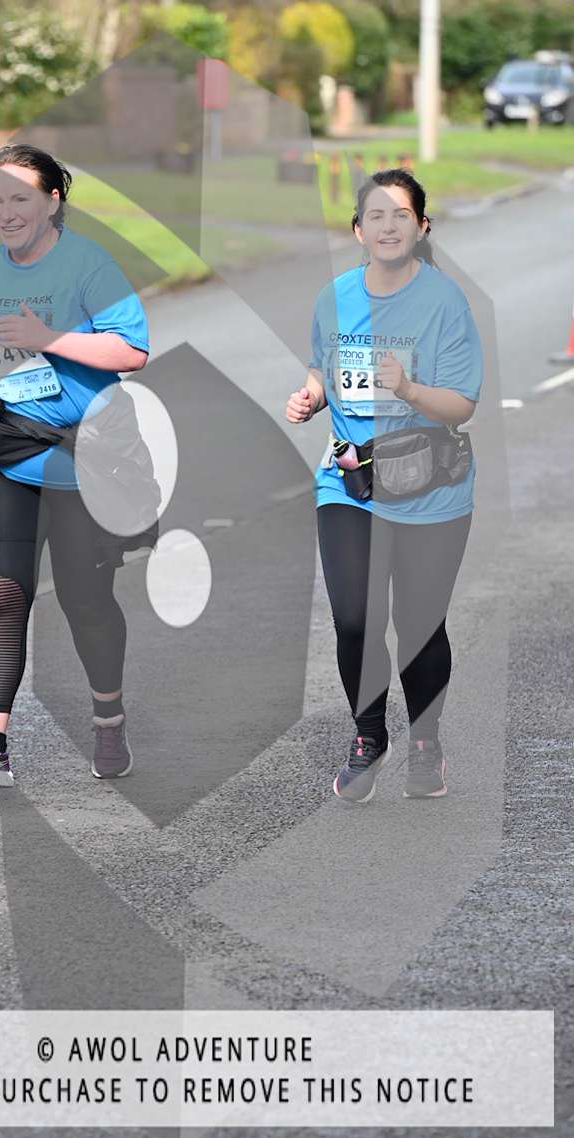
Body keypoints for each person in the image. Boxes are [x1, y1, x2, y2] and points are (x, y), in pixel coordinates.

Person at [0, 144, 150, 789]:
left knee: (86, 600)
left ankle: (108, 720)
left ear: (53, 200)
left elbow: (131, 351)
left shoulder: (89, 264)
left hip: (79, 458)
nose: (6, 212)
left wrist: (47, 339)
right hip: (2, 451)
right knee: (2, 594)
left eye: (20, 199)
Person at [286, 168, 482, 803]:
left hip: (430, 486)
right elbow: (324, 366)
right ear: (357, 229)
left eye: (402, 214)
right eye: (376, 215)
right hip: (351, 481)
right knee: (354, 618)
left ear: (421, 226)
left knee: (419, 624)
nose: (388, 226)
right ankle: (369, 735)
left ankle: (425, 741)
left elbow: (461, 404)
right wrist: (312, 395)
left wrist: (410, 389)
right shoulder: (334, 296)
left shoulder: (445, 301)